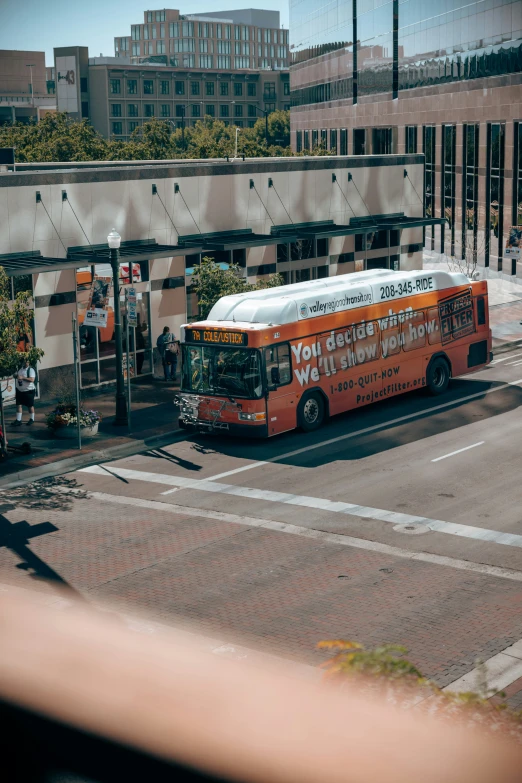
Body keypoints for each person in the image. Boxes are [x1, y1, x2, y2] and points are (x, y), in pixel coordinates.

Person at [13, 359, 36, 426]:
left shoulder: (31, 370)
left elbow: (32, 379)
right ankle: (18, 420)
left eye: (27, 362)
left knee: (30, 406)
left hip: (29, 390)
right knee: (18, 405)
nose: (26, 363)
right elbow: (17, 376)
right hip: (20, 390)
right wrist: (16, 376)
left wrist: (23, 378)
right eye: (25, 362)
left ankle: (32, 419)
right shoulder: (20, 370)